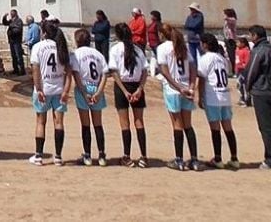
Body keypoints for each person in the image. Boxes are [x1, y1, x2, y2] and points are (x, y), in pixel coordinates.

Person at [157, 24, 201, 171]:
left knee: (177, 125)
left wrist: (178, 87)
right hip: (186, 89)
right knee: (188, 125)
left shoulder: (162, 48)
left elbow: (165, 72)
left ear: (162, 34)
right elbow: (194, 68)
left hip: (173, 90)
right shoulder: (183, 46)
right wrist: (191, 87)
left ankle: (179, 160)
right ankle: (194, 159)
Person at [28, 20, 72, 166]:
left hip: (44, 89)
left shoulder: (38, 47)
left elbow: (35, 69)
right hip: (59, 89)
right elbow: (68, 71)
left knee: (41, 121)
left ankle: (39, 155)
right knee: (59, 122)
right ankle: (58, 156)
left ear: (44, 33)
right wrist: (66, 90)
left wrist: (38, 88)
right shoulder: (61, 46)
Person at [197, 33, 240, 169]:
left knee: (215, 128)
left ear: (205, 44)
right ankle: (234, 158)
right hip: (225, 95)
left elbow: (202, 79)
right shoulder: (222, 58)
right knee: (228, 128)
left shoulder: (205, 59)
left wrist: (200, 96)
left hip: (212, 95)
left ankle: (218, 158)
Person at [109, 23, 149, 168]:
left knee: (124, 123)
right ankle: (144, 156)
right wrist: (140, 88)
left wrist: (124, 91)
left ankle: (127, 156)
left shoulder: (115, 49)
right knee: (139, 121)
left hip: (123, 86)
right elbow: (145, 71)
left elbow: (114, 71)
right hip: (136, 85)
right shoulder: (138, 49)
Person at [70, 29, 110, 166]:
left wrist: (84, 92)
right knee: (98, 124)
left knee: (85, 124)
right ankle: (102, 154)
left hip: (84, 88)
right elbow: (105, 73)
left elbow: (76, 74)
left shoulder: (76, 54)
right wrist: (99, 91)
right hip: (96, 86)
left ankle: (87, 155)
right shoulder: (98, 54)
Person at [245, 25, 271, 169]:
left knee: (266, 127)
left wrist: (247, 89)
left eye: (250, 35)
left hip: (262, 92)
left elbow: (251, 72)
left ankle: (269, 159)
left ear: (255, 36)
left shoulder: (258, 51)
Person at [2, 9, 25, 75]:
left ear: (15, 13)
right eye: (10, 13)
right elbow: (5, 23)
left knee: (18, 56)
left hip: (16, 41)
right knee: (13, 56)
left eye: (12, 13)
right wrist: (4, 17)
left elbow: (18, 30)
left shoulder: (18, 21)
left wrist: (12, 29)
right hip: (11, 41)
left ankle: (22, 70)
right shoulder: (11, 20)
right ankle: (16, 69)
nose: (11, 15)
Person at [184, 3, 205, 69]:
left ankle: (204, 67)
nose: (191, 10)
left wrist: (189, 26)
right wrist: (189, 26)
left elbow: (195, 25)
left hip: (198, 39)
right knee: (193, 56)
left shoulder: (200, 16)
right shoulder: (189, 16)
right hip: (190, 39)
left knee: (202, 54)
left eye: (192, 9)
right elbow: (186, 25)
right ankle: (195, 69)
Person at [235, 37, 252, 107]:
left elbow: (247, 62)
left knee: (244, 86)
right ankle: (242, 98)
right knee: (239, 86)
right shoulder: (237, 50)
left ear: (243, 43)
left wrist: (242, 66)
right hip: (238, 70)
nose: (237, 44)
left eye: (238, 42)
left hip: (243, 71)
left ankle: (247, 100)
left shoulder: (246, 51)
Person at [223, 8, 238, 74]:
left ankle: (234, 70)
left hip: (231, 39)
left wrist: (226, 17)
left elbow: (229, 20)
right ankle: (232, 70)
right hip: (227, 38)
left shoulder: (232, 20)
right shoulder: (227, 21)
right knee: (229, 55)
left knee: (232, 55)